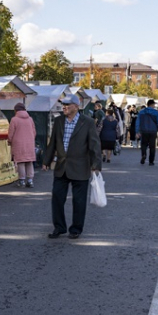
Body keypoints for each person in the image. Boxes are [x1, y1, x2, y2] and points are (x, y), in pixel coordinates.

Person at [42, 94, 102, 239]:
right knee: (57, 197)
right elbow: (53, 143)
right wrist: (46, 161)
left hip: (81, 166)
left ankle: (75, 229)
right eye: (63, 104)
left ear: (76, 106)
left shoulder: (87, 122)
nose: (64, 107)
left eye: (68, 105)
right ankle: (59, 227)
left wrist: (96, 164)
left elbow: (94, 144)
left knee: (79, 201)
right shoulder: (58, 121)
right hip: (61, 166)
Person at [8, 103, 37, 188]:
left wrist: (9, 141)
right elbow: (34, 131)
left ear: (16, 110)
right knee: (29, 162)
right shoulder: (30, 119)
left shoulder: (14, 119)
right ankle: (30, 181)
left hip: (18, 143)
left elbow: (11, 133)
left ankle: (22, 181)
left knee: (20, 162)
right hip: (30, 143)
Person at [136, 99, 158, 165]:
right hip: (153, 131)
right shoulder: (156, 112)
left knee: (143, 145)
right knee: (152, 147)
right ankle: (151, 161)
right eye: (154, 104)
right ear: (152, 104)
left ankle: (144, 154)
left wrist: (137, 131)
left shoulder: (141, 112)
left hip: (144, 131)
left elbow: (138, 122)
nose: (154, 106)